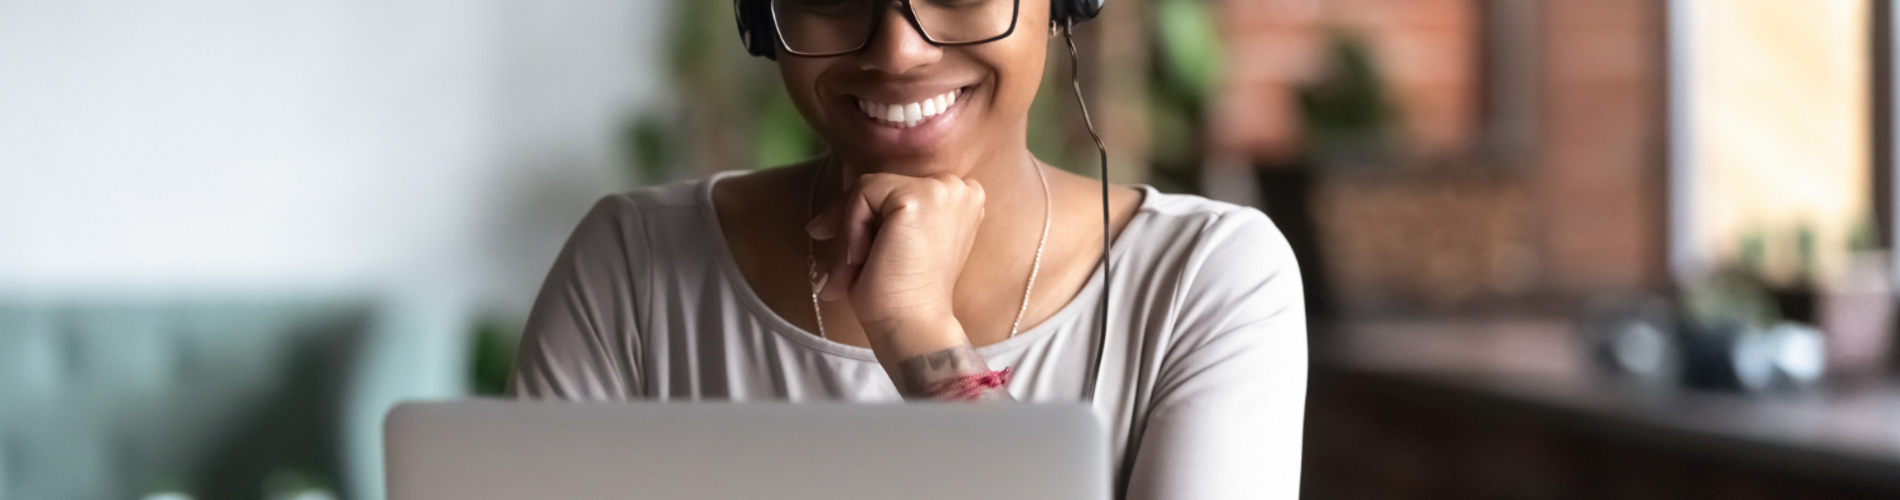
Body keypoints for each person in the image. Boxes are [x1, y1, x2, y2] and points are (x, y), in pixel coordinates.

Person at [508, 0, 1307, 496]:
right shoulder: (633, 267)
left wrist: (921, 334)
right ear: (763, 21)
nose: (898, 50)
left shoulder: (1209, 279)